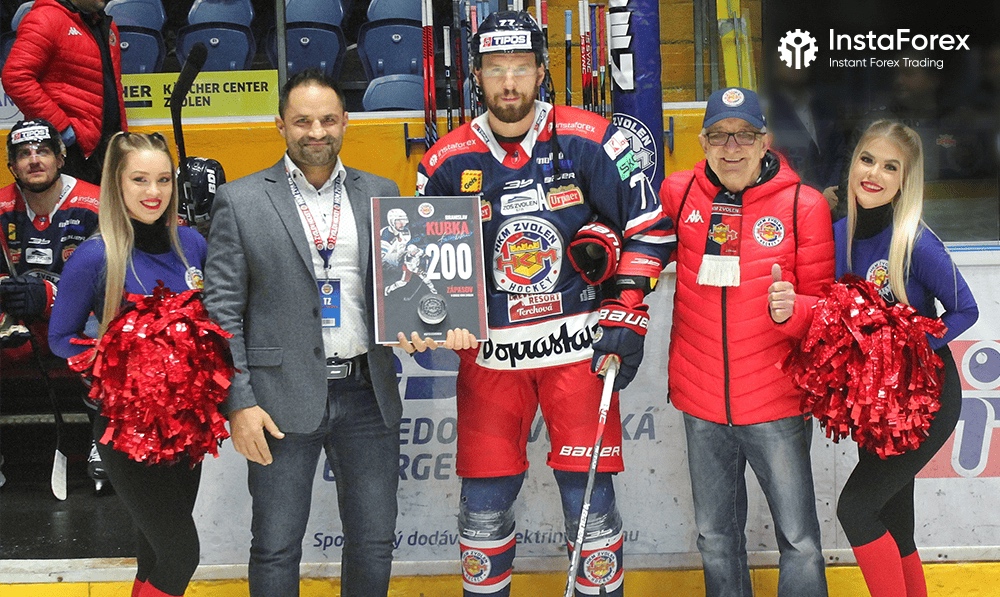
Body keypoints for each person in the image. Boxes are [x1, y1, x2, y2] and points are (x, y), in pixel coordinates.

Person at [416, 11, 675, 597]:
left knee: (590, 505)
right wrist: (430, 317)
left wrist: (626, 309)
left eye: (521, 68)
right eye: (495, 69)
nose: (509, 82)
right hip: (490, 360)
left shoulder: (595, 139)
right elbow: (424, 274)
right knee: (482, 510)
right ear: (476, 76)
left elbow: (651, 228)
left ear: (541, 72)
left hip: (577, 354)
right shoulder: (444, 162)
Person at [203, 68, 456, 597]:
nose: (315, 132)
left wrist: (419, 324)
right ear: (280, 125)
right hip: (278, 400)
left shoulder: (381, 193)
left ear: (345, 122)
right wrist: (239, 401)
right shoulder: (241, 200)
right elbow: (222, 311)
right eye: (302, 121)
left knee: (373, 542)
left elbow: (402, 289)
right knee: (275, 546)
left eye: (327, 120)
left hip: (368, 394)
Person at [658, 87, 833, 597]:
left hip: (777, 404)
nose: (731, 148)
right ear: (702, 142)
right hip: (702, 403)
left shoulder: (804, 205)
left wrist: (794, 309)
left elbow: (825, 312)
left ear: (764, 141)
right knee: (715, 539)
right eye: (719, 136)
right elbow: (633, 246)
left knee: (799, 541)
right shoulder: (679, 194)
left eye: (744, 136)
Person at [48, 132, 210, 597]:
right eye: (139, 179)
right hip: (125, 428)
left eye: (163, 179)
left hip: (186, 427)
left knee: (155, 552)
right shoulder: (95, 255)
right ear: (116, 183)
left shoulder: (192, 244)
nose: (153, 191)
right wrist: (122, 355)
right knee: (182, 553)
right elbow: (60, 338)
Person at [823, 120, 978, 596]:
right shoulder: (837, 235)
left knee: (855, 509)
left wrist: (908, 351)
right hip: (875, 406)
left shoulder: (915, 240)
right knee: (894, 521)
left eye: (890, 167)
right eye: (867, 160)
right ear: (853, 164)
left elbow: (966, 309)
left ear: (905, 180)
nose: (874, 174)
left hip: (925, 400)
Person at [0, 118, 103, 486]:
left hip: (79, 321)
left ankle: (104, 442)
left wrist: (48, 296)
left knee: (107, 331)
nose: (34, 160)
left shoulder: (96, 203)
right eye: (23, 154)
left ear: (60, 158)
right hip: (19, 323)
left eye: (43, 151)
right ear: (12, 166)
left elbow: (114, 284)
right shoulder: (1, 205)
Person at [1, 0, 127, 184]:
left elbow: (112, 86)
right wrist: (63, 129)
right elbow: (16, 77)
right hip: (72, 152)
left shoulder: (106, 24)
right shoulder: (45, 18)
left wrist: (122, 133)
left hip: (108, 147)